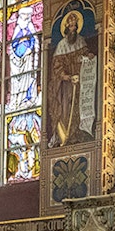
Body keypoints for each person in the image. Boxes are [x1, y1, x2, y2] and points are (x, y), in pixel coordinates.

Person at [48, 11, 92, 147]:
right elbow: (56, 66)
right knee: (65, 109)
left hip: (80, 82)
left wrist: (88, 57)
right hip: (65, 85)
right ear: (66, 27)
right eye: (70, 26)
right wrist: (66, 76)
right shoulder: (61, 45)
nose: (73, 29)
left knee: (78, 108)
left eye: (75, 26)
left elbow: (84, 56)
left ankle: (76, 135)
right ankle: (64, 137)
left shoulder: (80, 41)